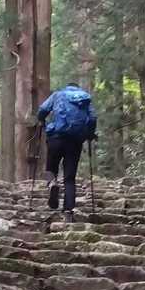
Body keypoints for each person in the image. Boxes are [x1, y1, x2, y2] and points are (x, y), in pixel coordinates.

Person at [37, 83, 97, 222]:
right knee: (70, 177)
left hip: (56, 138)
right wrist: (89, 134)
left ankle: (52, 183)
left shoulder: (58, 95)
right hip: (75, 141)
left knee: (51, 168)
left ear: (67, 87)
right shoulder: (85, 98)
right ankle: (68, 210)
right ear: (77, 88)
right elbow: (93, 118)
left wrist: (41, 121)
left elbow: (43, 109)